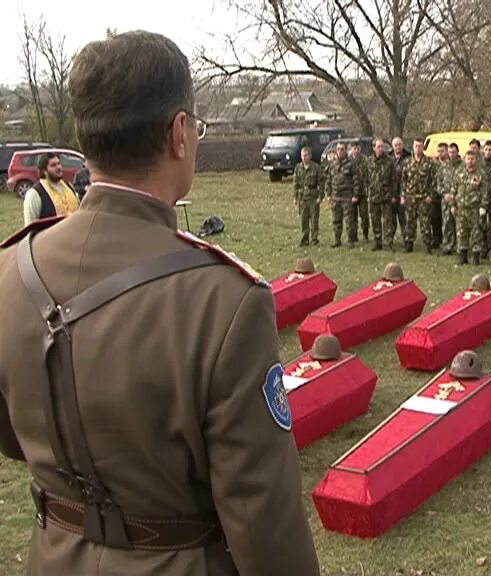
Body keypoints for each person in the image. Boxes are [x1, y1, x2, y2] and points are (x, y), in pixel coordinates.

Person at [0, 31, 320, 576]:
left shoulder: (9, 268)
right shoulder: (224, 301)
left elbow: (13, 436)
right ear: (180, 133)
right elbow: (261, 513)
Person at [451, 149, 487, 265]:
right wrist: (452, 205)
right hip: (461, 208)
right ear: (464, 159)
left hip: (475, 208)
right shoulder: (458, 172)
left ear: (476, 160)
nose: (470, 161)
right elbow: (454, 190)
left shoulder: (481, 174)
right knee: (461, 233)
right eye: (468, 159)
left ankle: (476, 257)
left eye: (472, 159)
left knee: (476, 233)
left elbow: (485, 192)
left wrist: (483, 207)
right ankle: (463, 256)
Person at [400, 138, 436, 253]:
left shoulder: (429, 163)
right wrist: (403, 195)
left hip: (423, 198)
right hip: (410, 197)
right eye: (416, 146)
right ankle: (409, 243)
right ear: (413, 147)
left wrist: (431, 196)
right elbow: (403, 181)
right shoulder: (407, 162)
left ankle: (428, 245)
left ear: (423, 147)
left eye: (420, 146)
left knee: (425, 222)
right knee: (410, 222)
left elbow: (433, 181)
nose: (418, 148)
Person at [23, 152, 80, 224]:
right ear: (44, 171)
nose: (58, 167)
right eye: (53, 165)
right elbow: (30, 226)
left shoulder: (69, 186)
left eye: (59, 163)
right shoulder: (34, 194)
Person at [326, 141, 360, 248]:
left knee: (349, 220)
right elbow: (329, 179)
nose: (340, 151)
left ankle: (350, 240)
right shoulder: (332, 164)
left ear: (345, 151)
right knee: (336, 219)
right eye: (338, 149)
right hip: (336, 196)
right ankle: (337, 240)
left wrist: (355, 195)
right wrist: (329, 194)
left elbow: (356, 180)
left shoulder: (351, 163)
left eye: (342, 149)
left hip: (347, 196)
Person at [367, 137, 396, 251]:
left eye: (382, 147)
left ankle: (388, 242)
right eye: (378, 147)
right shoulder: (369, 161)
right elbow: (366, 178)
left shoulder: (389, 161)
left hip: (386, 195)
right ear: (374, 148)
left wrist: (393, 195)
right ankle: (377, 241)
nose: (381, 149)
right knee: (375, 220)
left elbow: (393, 179)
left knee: (387, 220)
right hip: (373, 195)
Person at [293, 145, 325, 246]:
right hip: (303, 197)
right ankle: (305, 239)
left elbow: (321, 182)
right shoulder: (298, 168)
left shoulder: (316, 168)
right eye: (302, 156)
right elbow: (295, 183)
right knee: (303, 219)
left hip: (313, 196)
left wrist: (321, 196)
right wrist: (295, 197)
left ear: (310, 156)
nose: (304, 158)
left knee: (314, 219)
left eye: (306, 155)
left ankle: (314, 239)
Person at [438, 142, 462, 255]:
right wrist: (444, 193)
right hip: (446, 200)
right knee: (447, 224)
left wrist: (456, 196)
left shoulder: (462, 165)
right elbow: (438, 183)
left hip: (459, 199)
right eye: (450, 152)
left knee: (459, 223)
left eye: (454, 152)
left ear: (458, 152)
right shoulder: (443, 166)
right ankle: (447, 245)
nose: (451, 154)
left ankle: (460, 246)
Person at [349, 140, 370, 242]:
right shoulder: (348, 161)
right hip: (351, 193)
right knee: (352, 217)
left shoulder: (365, 160)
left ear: (360, 149)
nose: (356, 151)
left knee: (364, 216)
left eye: (357, 148)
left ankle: (365, 234)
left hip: (363, 193)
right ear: (351, 149)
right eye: (354, 149)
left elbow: (369, 176)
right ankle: (354, 236)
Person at [390, 137, 409, 241]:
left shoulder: (408, 157)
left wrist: (404, 194)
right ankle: (390, 239)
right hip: (391, 193)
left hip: (403, 192)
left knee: (403, 219)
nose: (398, 147)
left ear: (402, 145)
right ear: (392, 147)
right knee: (391, 219)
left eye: (399, 144)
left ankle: (406, 239)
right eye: (395, 145)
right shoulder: (388, 158)